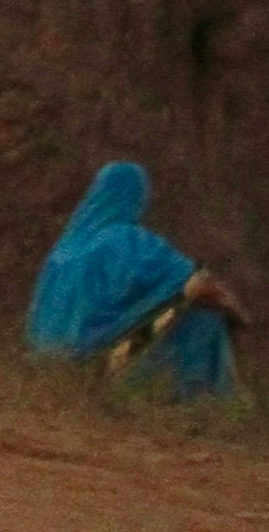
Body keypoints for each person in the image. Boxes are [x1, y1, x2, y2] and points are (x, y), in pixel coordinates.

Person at [24, 158, 246, 398]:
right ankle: (200, 401)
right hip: (99, 357)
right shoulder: (127, 240)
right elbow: (195, 283)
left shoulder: (65, 249)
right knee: (204, 317)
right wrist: (236, 310)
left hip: (47, 358)